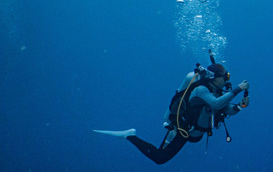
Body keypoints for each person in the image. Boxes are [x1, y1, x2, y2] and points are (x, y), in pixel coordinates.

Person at [94, 63, 249, 164]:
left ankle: (129, 135)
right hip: (182, 130)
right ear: (214, 77)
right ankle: (129, 135)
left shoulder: (217, 91)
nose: (226, 80)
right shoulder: (201, 89)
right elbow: (216, 104)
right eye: (224, 77)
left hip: (194, 132)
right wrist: (238, 89)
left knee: (161, 158)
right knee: (160, 158)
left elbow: (225, 109)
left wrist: (240, 106)